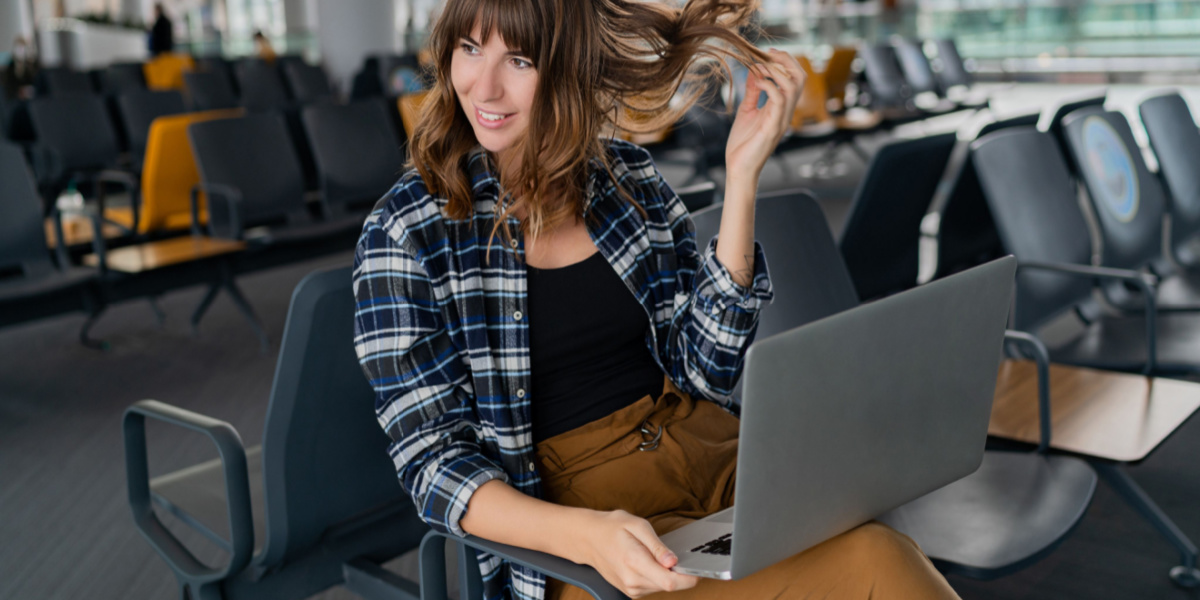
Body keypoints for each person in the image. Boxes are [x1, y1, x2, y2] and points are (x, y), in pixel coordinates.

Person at [352, 0, 962, 599]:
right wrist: (586, 537)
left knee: (880, 538)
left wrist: (741, 174)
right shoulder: (406, 231)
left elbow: (706, 370)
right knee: (875, 560)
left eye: (520, 60)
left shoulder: (627, 178)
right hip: (581, 520)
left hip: (710, 451)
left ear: (569, 67)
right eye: (468, 48)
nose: (482, 86)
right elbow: (433, 464)